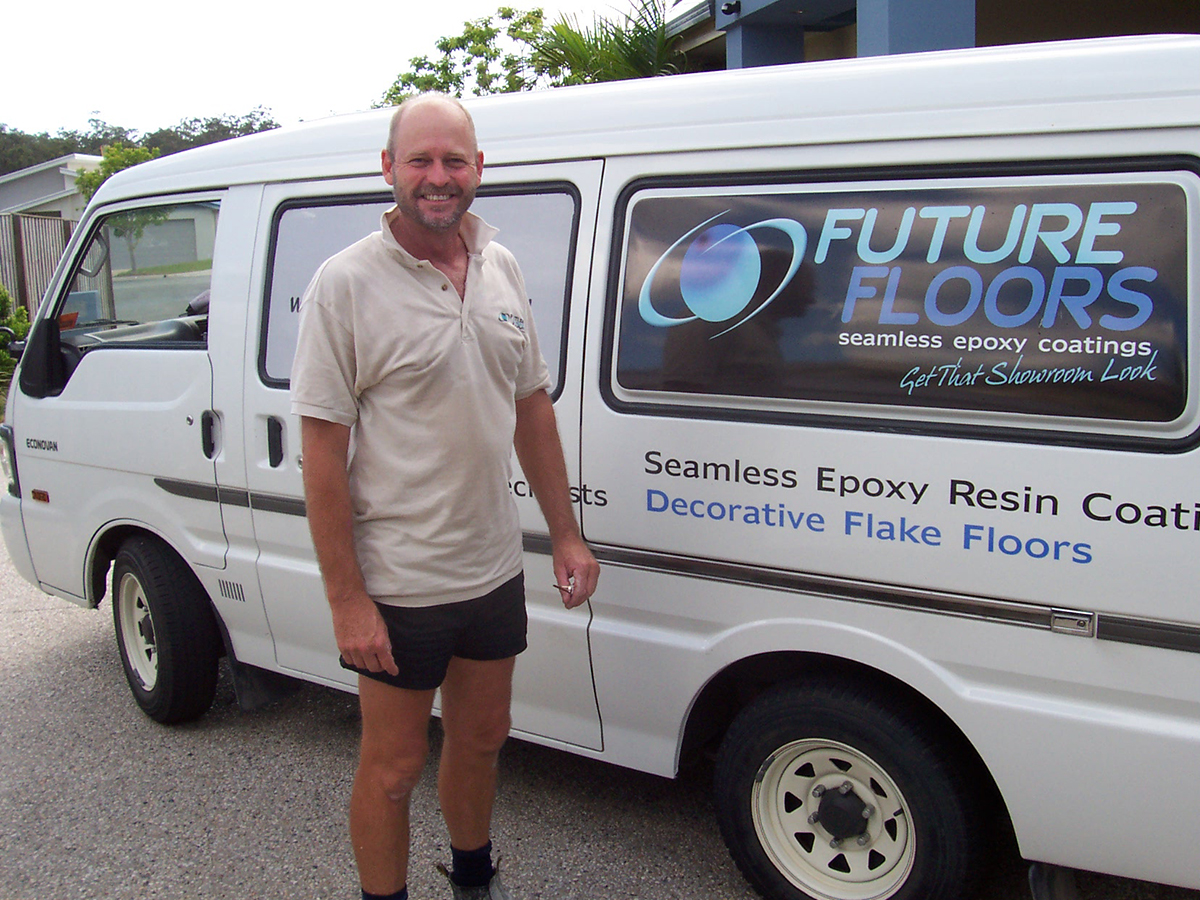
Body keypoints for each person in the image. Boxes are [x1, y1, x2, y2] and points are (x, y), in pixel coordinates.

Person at [290, 93, 600, 900]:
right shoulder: (344, 284)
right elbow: (321, 454)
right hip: (400, 584)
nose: (438, 177)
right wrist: (347, 600)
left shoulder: (500, 264)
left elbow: (531, 407)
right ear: (388, 168)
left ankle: (471, 879)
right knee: (392, 770)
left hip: (491, 568)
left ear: (478, 170)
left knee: (484, 740)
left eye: (453, 161)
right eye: (420, 160)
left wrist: (565, 536)